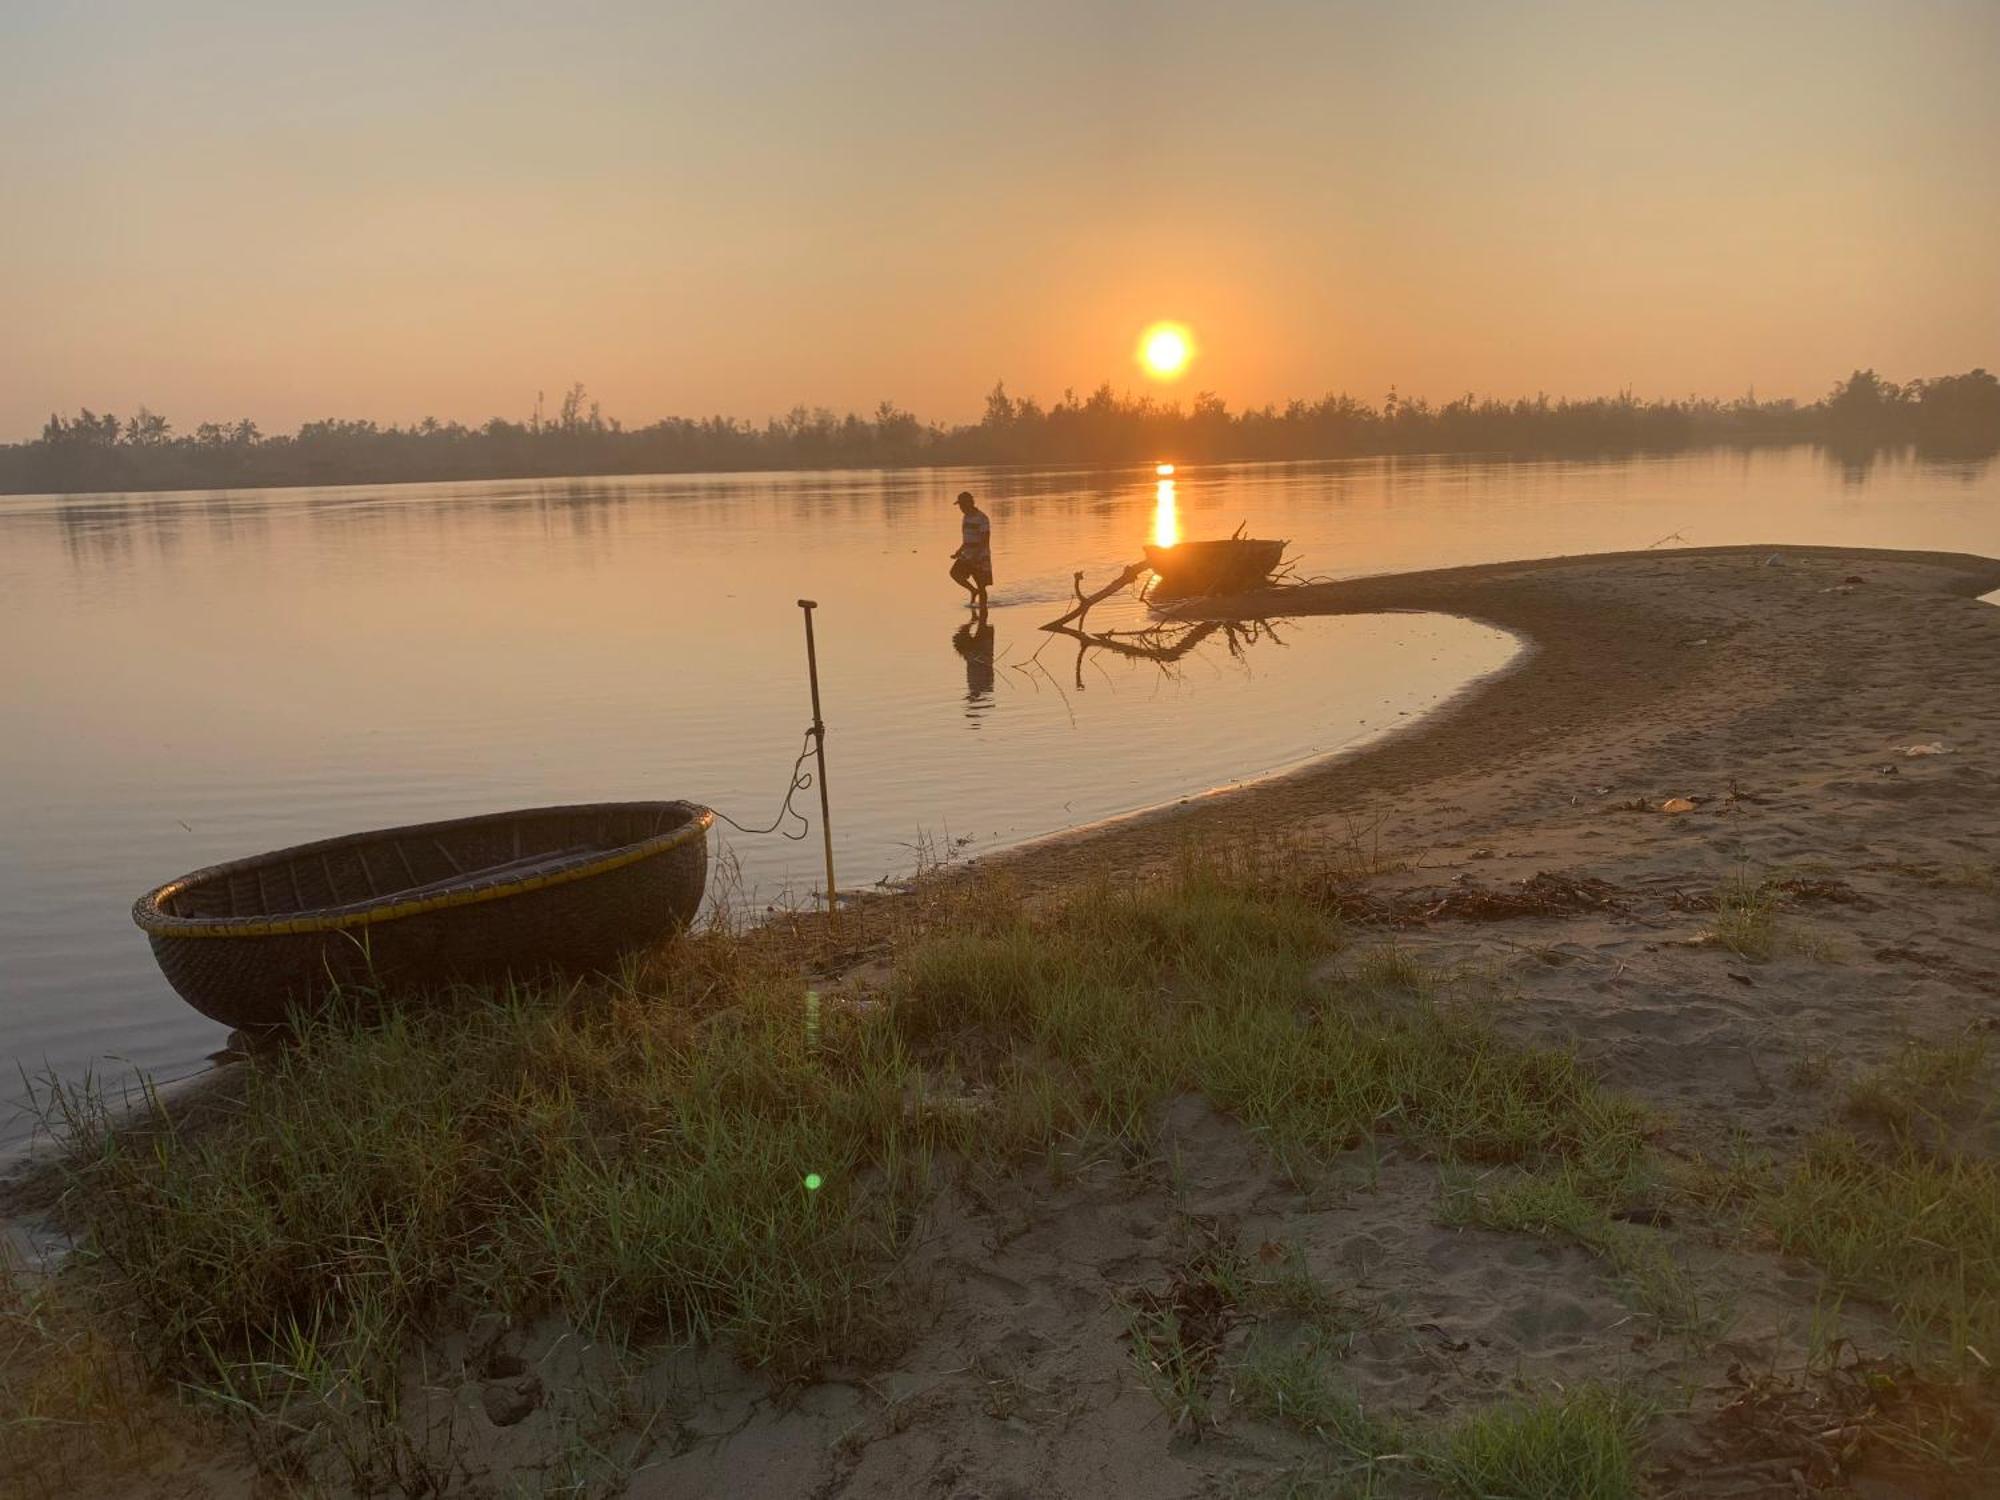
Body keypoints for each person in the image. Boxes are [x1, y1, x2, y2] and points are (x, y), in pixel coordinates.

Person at [948, 490, 992, 607]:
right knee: (954, 573)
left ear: (969, 503)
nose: (960, 508)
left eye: (962, 505)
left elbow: (985, 541)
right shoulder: (966, 517)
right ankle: (973, 591)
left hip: (980, 557)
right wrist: (959, 551)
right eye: (960, 505)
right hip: (967, 555)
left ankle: (983, 614)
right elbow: (967, 539)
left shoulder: (982, 518)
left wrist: (976, 556)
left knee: (981, 586)